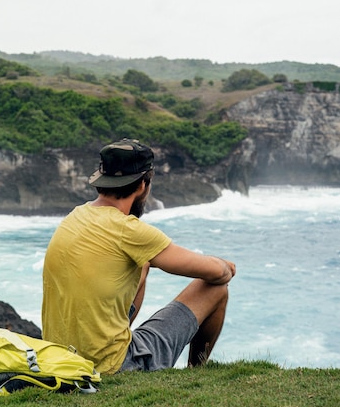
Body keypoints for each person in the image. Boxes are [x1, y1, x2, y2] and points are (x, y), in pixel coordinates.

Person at [42, 138, 236, 374]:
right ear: (143, 185)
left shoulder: (75, 216)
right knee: (216, 288)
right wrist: (225, 265)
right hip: (116, 366)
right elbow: (218, 274)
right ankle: (197, 371)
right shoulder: (129, 231)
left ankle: (117, 338)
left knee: (141, 263)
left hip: (60, 359)